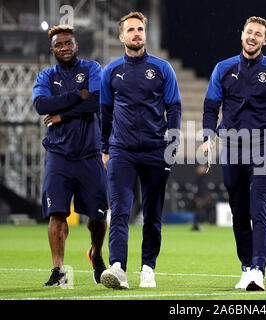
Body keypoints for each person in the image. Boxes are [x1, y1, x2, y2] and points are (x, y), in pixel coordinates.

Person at [202, 16, 266, 291]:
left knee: (259, 209)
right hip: (231, 146)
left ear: (265, 40)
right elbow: (210, 108)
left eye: (258, 34)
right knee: (239, 212)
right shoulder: (223, 68)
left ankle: (258, 270)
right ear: (242, 35)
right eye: (249, 32)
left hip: (265, 147)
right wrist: (208, 137)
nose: (252, 37)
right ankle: (245, 268)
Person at [99, 12, 181, 289]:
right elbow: (105, 113)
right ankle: (118, 267)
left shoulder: (162, 69)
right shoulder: (110, 71)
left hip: (156, 151)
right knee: (119, 210)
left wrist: (173, 144)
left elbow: (174, 108)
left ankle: (148, 268)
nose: (136, 33)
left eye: (140, 29)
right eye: (131, 30)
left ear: (145, 34)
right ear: (121, 36)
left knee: (153, 213)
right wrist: (104, 149)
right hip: (121, 150)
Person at [32, 25, 108, 286]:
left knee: (98, 217)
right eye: (59, 45)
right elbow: (41, 104)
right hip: (59, 155)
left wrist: (63, 113)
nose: (64, 48)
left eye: (68, 43)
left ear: (76, 45)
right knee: (57, 213)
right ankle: (58, 270)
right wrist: (78, 94)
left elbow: (97, 101)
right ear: (52, 49)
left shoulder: (92, 69)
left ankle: (96, 254)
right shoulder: (45, 76)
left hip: (89, 154)